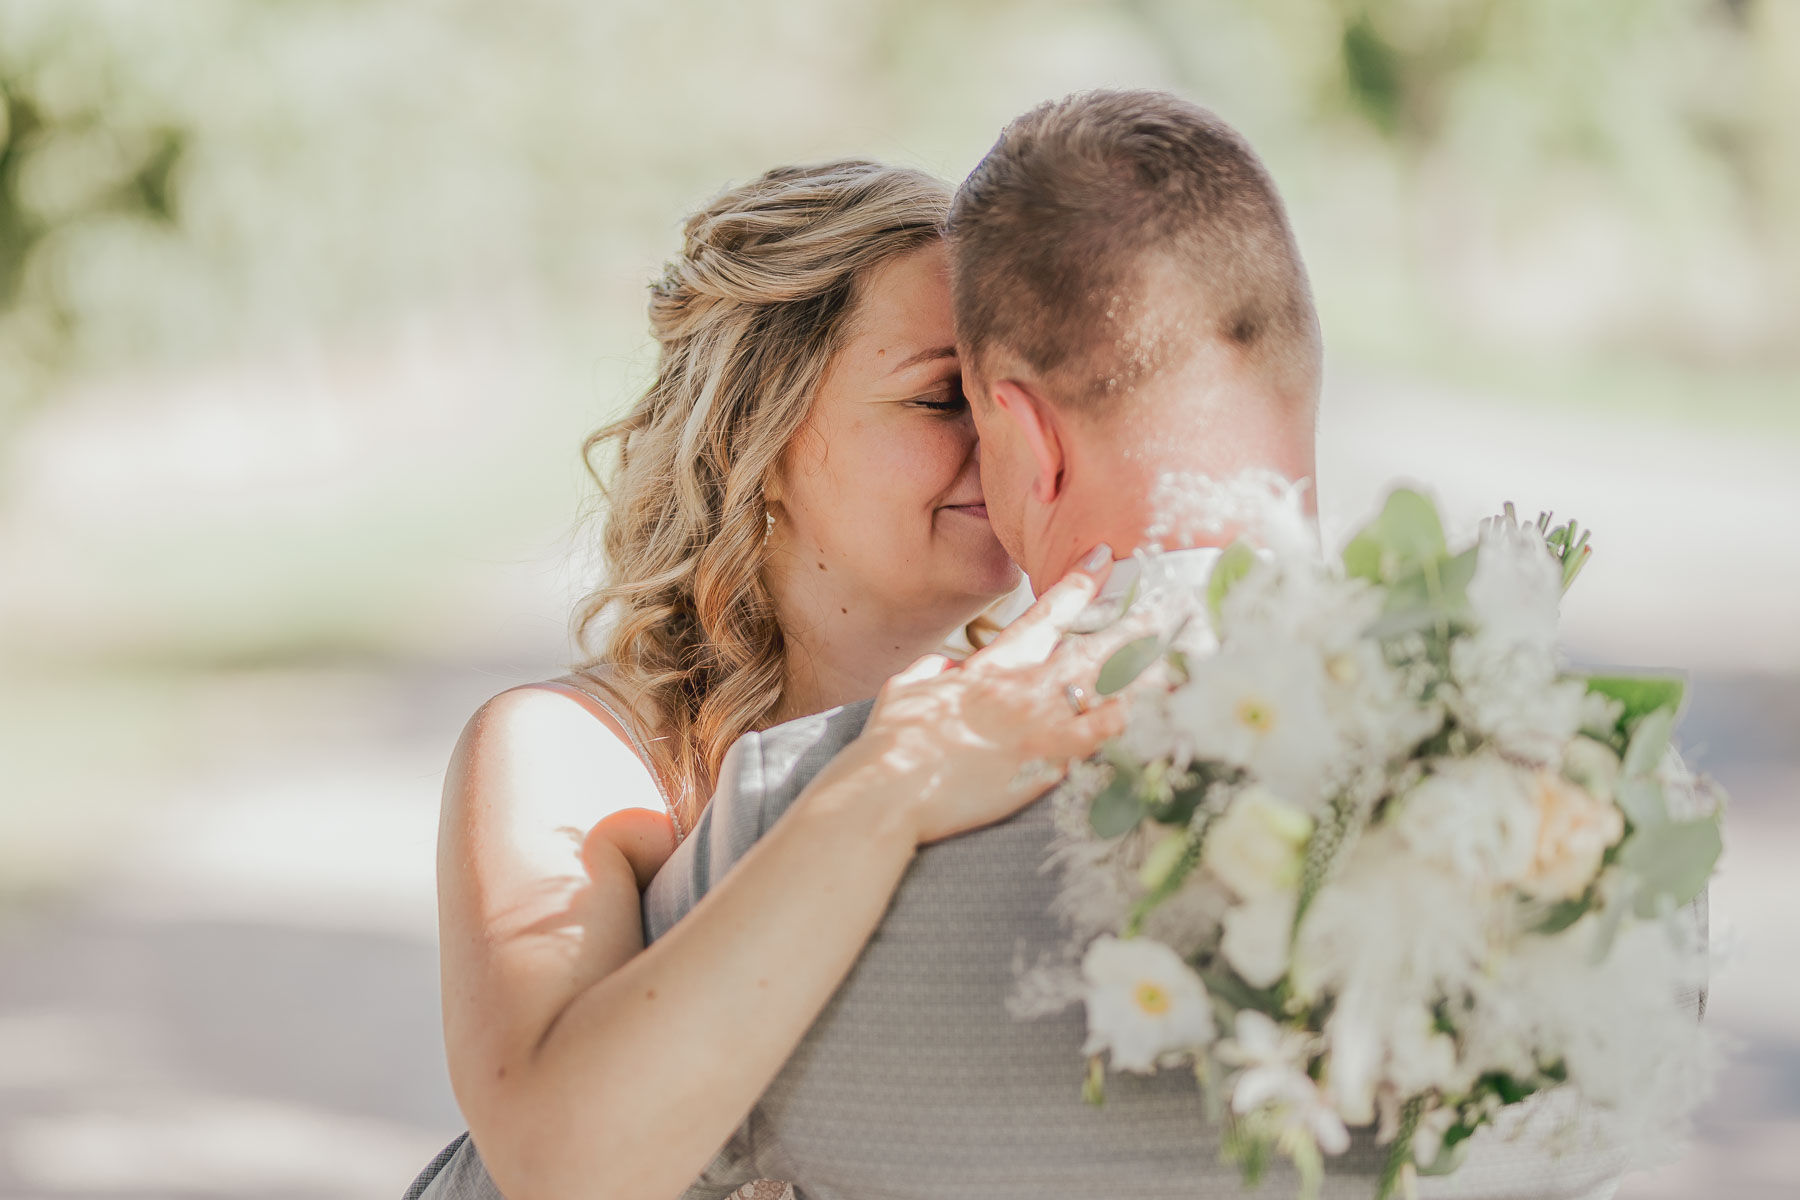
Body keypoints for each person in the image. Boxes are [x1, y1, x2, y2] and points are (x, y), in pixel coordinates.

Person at [642, 91, 1647, 1199]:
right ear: (1297, 370)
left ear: (1022, 434)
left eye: (965, 408)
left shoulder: (779, 825)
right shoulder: (1587, 810)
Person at [408, 160, 1133, 1200]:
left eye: (1022, 402)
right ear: (762, 432)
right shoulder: (566, 754)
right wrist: (891, 786)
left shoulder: (1053, 726)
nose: (1015, 446)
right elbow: (558, 1165)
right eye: (943, 397)